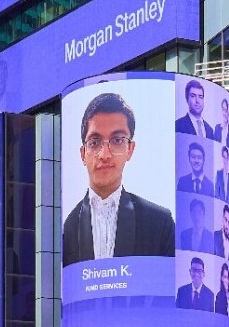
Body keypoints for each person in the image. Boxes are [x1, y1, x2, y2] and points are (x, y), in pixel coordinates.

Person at [61, 92, 175, 266]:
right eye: (94, 142)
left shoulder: (159, 223)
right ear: (83, 154)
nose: (105, 155)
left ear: (130, 149)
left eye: (117, 140)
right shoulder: (66, 229)